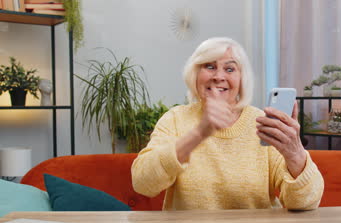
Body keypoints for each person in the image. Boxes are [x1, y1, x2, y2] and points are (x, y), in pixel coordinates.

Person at [131, 37, 324, 210]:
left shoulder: (262, 124)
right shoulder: (175, 119)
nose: (219, 76)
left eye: (230, 69)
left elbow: (305, 203)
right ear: (195, 74)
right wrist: (199, 133)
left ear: (241, 80)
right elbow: (143, 183)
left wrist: (295, 153)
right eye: (209, 66)